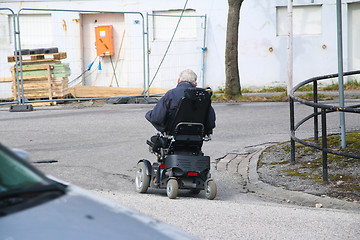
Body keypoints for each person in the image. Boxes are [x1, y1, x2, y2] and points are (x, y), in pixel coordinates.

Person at [145, 69, 216, 135]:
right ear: (195, 84)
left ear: (178, 80)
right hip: (196, 134)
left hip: (173, 133)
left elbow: (157, 118)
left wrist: (149, 115)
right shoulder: (202, 96)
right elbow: (211, 122)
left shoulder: (171, 94)